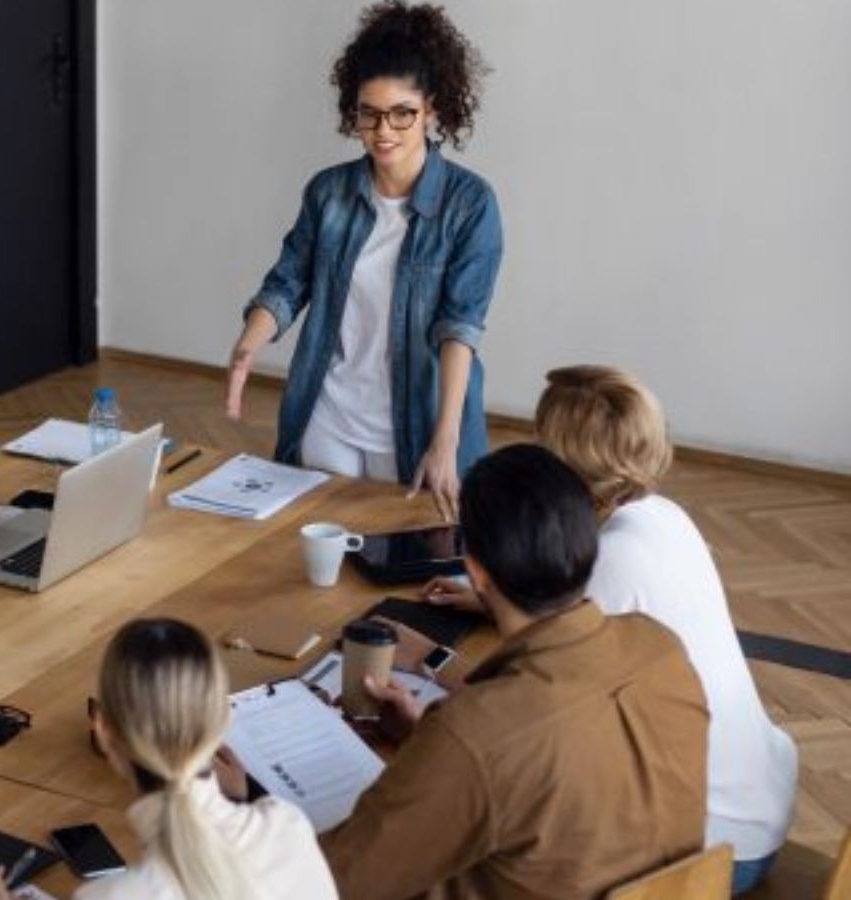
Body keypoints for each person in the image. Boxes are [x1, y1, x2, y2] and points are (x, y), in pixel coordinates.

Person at [422, 365, 797, 894]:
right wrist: (491, 599)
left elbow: (520, 705)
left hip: (713, 847)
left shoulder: (612, 559)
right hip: (757, 802)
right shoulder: (663, 516)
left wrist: (429, 660)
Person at [321, 444, 708, 898]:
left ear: (475, 572)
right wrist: (426, 749)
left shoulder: (475, 733)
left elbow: (333, 884)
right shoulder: (660, 648)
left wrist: (241, 804)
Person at [225, 1, 501, 521]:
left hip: (417, 421)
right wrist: (248, 346)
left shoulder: (470, 205)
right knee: (312, 550)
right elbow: (287, 283)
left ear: (433, 110)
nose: (383, 130)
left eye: (402, 113)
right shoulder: (328, 193)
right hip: (327, 412)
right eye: (368, 114)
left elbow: (459, 330)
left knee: (408, 558)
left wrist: (446, 440)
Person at [0, 618, 338, 900]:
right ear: (223, 720)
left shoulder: (112, 895)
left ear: (103, 730)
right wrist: (237, 802)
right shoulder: (288, 824)